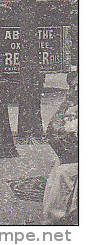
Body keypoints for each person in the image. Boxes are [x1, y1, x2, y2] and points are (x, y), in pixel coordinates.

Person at [42, 71, 78, 224]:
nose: (75, 90)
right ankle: (53, 219)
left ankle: (60, 219)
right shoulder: (73, 100)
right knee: (58, 166)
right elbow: (54, 125)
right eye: (73, 86)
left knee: (64, 172)